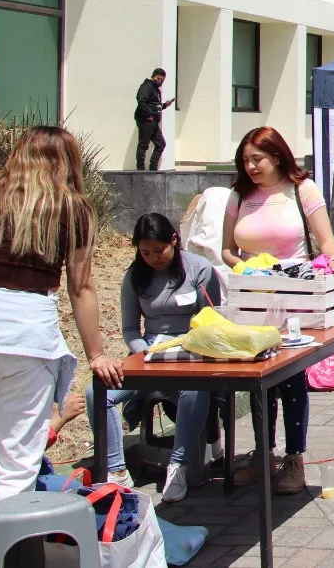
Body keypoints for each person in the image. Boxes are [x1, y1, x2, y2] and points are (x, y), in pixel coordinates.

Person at [0, 126, 122, 532]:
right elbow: (82, 286)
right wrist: (96, 354)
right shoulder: (70, 207)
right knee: (16, 460)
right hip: (25, 337)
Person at [222, 126, 334, 494]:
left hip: (294, 298)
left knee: (291, 378)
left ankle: (294, 457)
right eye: (245, 160)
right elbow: (228, 249)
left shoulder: (302, 190)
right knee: (257, 377)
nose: (251, 167)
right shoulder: (238, 196)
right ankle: (264, 453)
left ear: (277, 156)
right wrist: (245, 267)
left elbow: (326, 240)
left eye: (257, 159)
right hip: (252, 298)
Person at [88, 213, 222, 501]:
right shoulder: (134, 276)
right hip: (148, 352)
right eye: (144, 252)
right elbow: (128, 328)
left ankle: (179, 465)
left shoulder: (200, 269)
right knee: (96, 392)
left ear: (173, 240)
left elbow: (212, 319)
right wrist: (142, 352)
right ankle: (116, 468)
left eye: (158, 251)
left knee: (195, 390)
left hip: (191, 350)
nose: (152, 258)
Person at [134, 68, 175, 171]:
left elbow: (154, 105)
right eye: (158, 78)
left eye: (162, 80)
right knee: (143, 145)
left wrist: (165, 105)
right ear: (153, 77)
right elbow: (142, 102)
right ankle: (141, 170)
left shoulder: (155, 89)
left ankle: (153, 168)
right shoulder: (147, 87)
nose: (159, 81)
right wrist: (149, 116)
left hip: (153, 122)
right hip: (146, 120)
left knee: (161, 144)